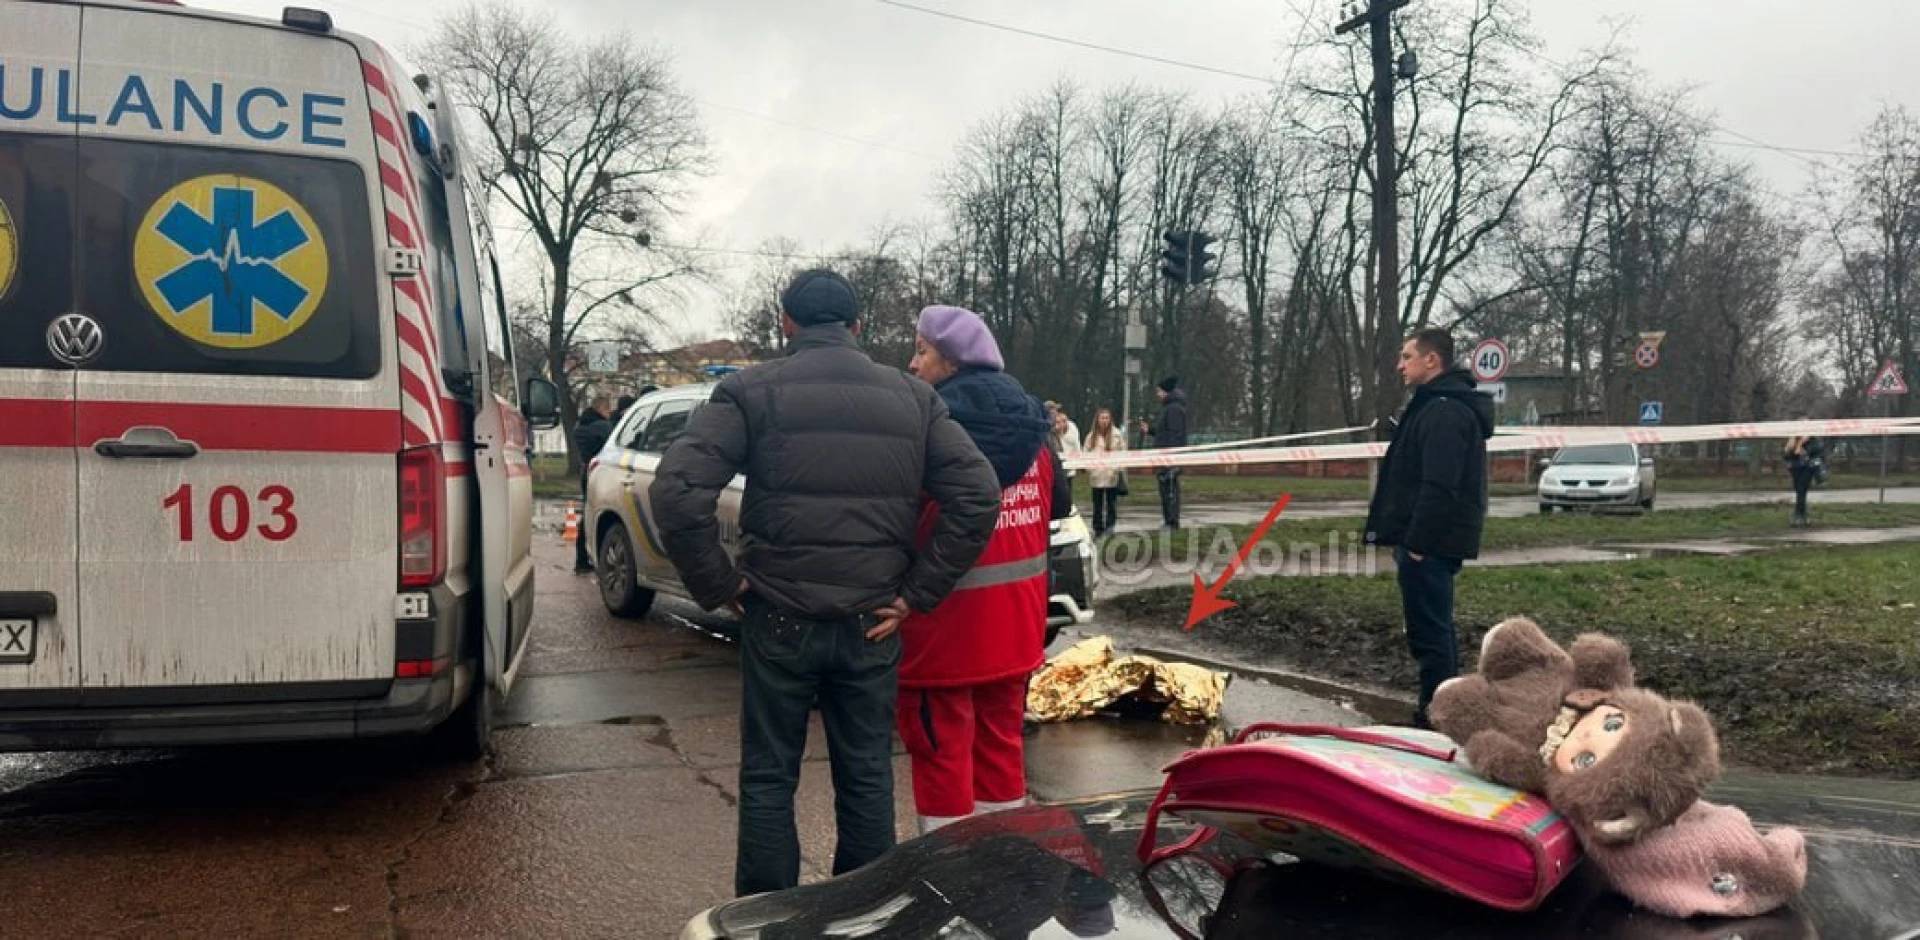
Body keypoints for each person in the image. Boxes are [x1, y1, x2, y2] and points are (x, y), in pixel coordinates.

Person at [649, 270, 1001, 897]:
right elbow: (976, 495)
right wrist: (918, 594)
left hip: (776, 614)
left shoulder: (749, 392)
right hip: (872, 621)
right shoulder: (912, 398)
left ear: (786, 323)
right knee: (866, 775)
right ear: (858, 328)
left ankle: (766, 920)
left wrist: (720, 582)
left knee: (768, 777)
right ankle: (862, 915)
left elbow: (677, 492)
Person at [900, 304, 1071, 833]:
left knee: (941, 753)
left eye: (922, 351)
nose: (912, 363)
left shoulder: (929, 430)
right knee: (1000, 749)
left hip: (943, 629)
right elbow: (1059, 504)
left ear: (950, 362)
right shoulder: (1034, 428)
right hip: (1016, 627)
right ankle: (1005, 865)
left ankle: (948, 879)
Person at [1363, 327, 1494, 729]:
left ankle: (1437, 716)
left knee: (1431, 632)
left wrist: (1417, 543)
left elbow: (1440, 485)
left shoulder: (1444, 411)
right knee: (1430, 627)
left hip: (1429, 544)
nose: (1400, 365)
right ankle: (1438, 707)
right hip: (1425, 541)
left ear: (1431, 360)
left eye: (1407, 357)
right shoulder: (1433, 405)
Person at [1138, 375, 1190, 530]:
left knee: (1170, 490)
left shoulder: (1174, 409)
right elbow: (1165, 432)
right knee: (1166, 489)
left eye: (1159, 391)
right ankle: (1168, 520)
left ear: (1166, 391)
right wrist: (1151, 431)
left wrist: (1171, 459)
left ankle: (1172, 522)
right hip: (1165, 457)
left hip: (1169, 459)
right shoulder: (1170, 408)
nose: (1157, 394)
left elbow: (1175, 434)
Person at [571, 396, 614, 573]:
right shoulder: (602, 427)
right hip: (601, 472)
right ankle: (598, 557)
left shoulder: (580, 425)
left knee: (588, 512)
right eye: (608, 410)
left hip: (586, 470)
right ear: (603, 409)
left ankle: (581, 559)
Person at [1083, 409, 1127, 538]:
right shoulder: (1091, 436)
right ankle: (1098, 528)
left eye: (1107, 418)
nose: (1104, 420)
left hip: (1111, 475)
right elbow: (1085, 453)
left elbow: (1122, 452)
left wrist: (1117, 468)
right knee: (1097, 504)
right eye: (1102, 418)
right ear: (1097, 419)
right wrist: (1090, 469)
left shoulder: (1117, 435)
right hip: (1096, 476)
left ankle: (1110, 527)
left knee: (1111, 504)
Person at [1784, 426, 1825, 528]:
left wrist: (1804, 444)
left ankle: (1798, 515)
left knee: (1802, 491)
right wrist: (1798, 444)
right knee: (1799, 492)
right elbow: (1789, 455)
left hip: (1808, 468)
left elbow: (1816, 451)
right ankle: (1803, 514)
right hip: (1796, 469)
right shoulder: (1793, 440)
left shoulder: (1814, 440)